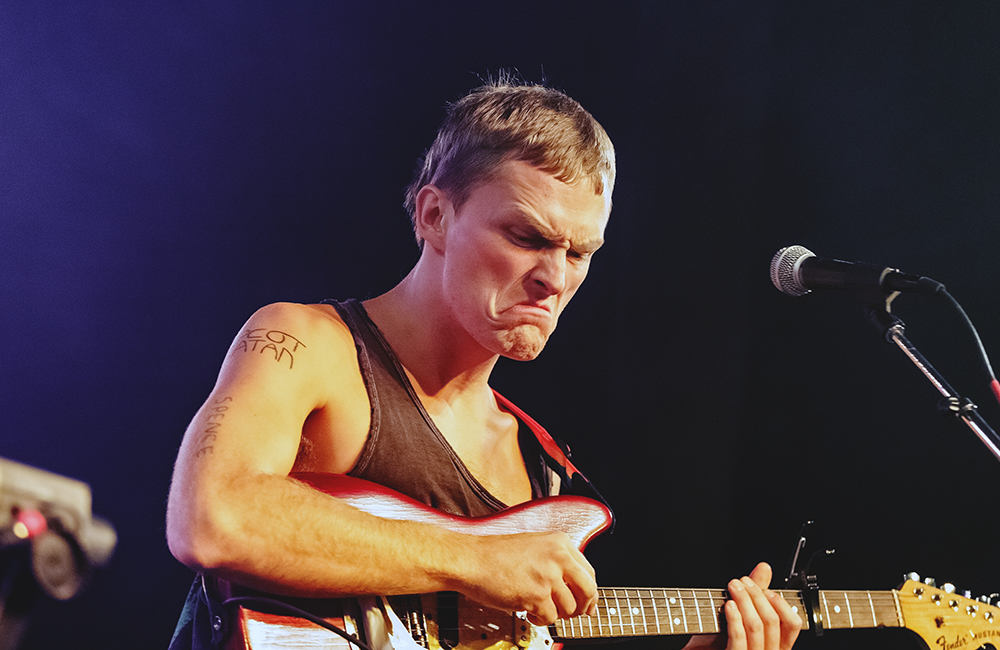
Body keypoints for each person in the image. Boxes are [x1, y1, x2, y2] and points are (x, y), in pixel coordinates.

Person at [166, 79, 802, 650]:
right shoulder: (306, 342)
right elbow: (211, 517)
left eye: (580, 252)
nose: (554, 278)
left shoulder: (542, 468)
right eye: (527, 237)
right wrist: (474, 560)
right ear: (435, 215)